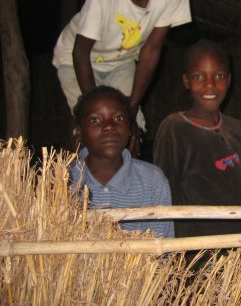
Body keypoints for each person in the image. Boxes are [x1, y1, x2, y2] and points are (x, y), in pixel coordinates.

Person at [52, 0, 192, 155]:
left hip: (122, 61)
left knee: (130, 127)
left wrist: (131, 110)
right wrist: (93, 108)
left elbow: (151, 51)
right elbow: (80, 52)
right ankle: (80, 182)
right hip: (75, 59)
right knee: (92, 127)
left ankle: (127, 185)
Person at [153, 40, 241, 238]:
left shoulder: (237, 128)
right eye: (199, 76)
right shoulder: (174, 129)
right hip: (201, 249)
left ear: (228, 80)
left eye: (218, 76)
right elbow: (166, 192)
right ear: (186, 81)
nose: (209, 85)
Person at [69, 85, 175, 237]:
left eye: (118, 118)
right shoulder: (66, 180)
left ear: (131, 128)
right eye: (95, 120)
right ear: (79, 132)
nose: (109, 126)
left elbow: (161, 251)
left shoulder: (152, 181)